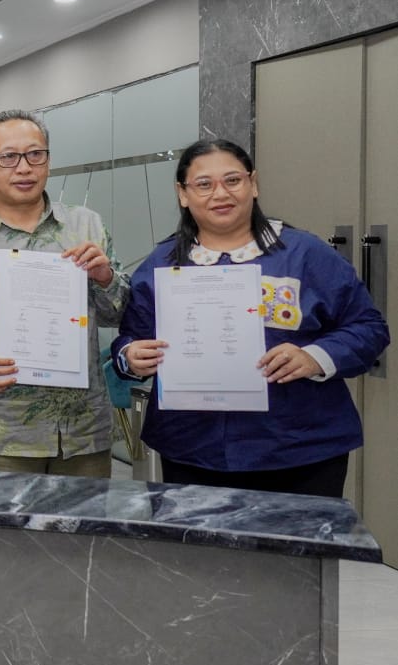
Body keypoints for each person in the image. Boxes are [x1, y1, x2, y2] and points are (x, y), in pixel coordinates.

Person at [113, 139, 388, 497]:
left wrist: (314, 357)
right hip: (192, 448)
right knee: (196, 536)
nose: (220, 194)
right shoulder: (162, 263)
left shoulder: (305, 254)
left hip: (299, 449)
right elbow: (129, 338)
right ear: (183, 194)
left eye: (233, 180)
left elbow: (368, 328)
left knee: (296, 537)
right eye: (204, 184)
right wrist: (131, 356)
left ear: (253, 184)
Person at [0, 109, 128, 477]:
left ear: (48, 161)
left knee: (84, 518)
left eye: (35, 154)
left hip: (82, 434)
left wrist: (105, 277)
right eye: (8, 157)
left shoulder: (87, 226)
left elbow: (119, 313)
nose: (24, 168)